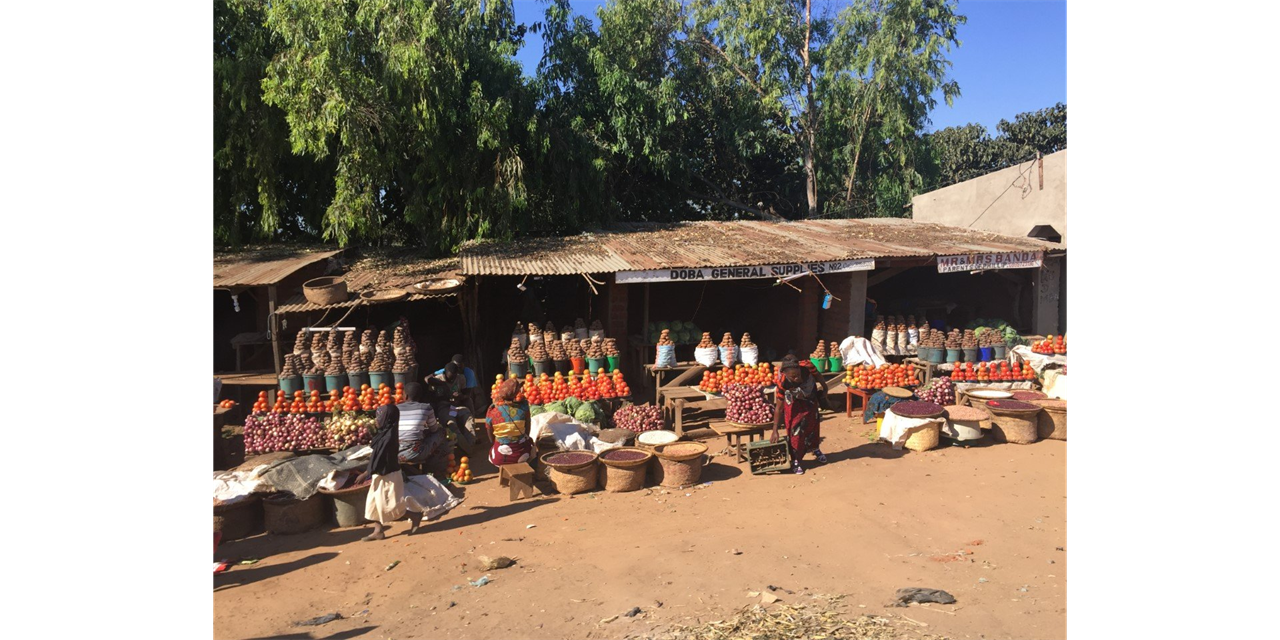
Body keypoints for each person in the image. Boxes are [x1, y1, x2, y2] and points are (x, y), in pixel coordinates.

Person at [355, 401, 462, 541]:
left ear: (386, 420)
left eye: (379, 417)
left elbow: (380, 459)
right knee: (374, 502)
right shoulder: (384, 435)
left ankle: (414, 515)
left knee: (390, 505)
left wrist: (365, 473)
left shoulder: (387, 439)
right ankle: (378, 530)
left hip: (388, 475)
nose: (376, 420)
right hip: (380, 473)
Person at [771, 355, 828, 475]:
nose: (797, 378)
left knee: (813, 425)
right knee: (795, 430)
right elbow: (779, 407)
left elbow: (817, 375)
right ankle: (796, 459)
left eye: (798, 375)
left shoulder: (807, 366)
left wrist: (825, 386)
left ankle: (815, 448)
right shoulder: (782, 383)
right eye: (793, 377)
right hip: (794, 402)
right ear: (785, 374)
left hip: (810, 397)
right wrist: (774, 430)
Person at [394, 382, 446, 466]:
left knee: (423, 433)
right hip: (415, 454)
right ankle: (434, 465)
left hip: (395, 453)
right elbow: (434, 429)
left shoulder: (396, 408)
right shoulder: (426, 408)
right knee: (442, 432)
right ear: (420, 397)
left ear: (405, 396)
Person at [485, 378, 533, 466]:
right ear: (516, 393)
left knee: (493, 451)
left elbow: (489, 431)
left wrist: (494, 444)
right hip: (522, 455)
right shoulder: (523, 408)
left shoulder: (492, 410)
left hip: (499, 457)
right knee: (532, 450)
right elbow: (527, 431)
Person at [427, 363, 476, 448]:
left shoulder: (460, 378)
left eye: (453, 377)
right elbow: (431, 396)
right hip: (444, 407)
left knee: (468, 419)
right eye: (450, 378)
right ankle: (462, 445)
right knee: (451, 423)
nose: (452, 380)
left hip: (456, 406)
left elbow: (466, 395)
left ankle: (470, 445)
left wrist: (460, 396)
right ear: (445, 373)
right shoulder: (437, 380)